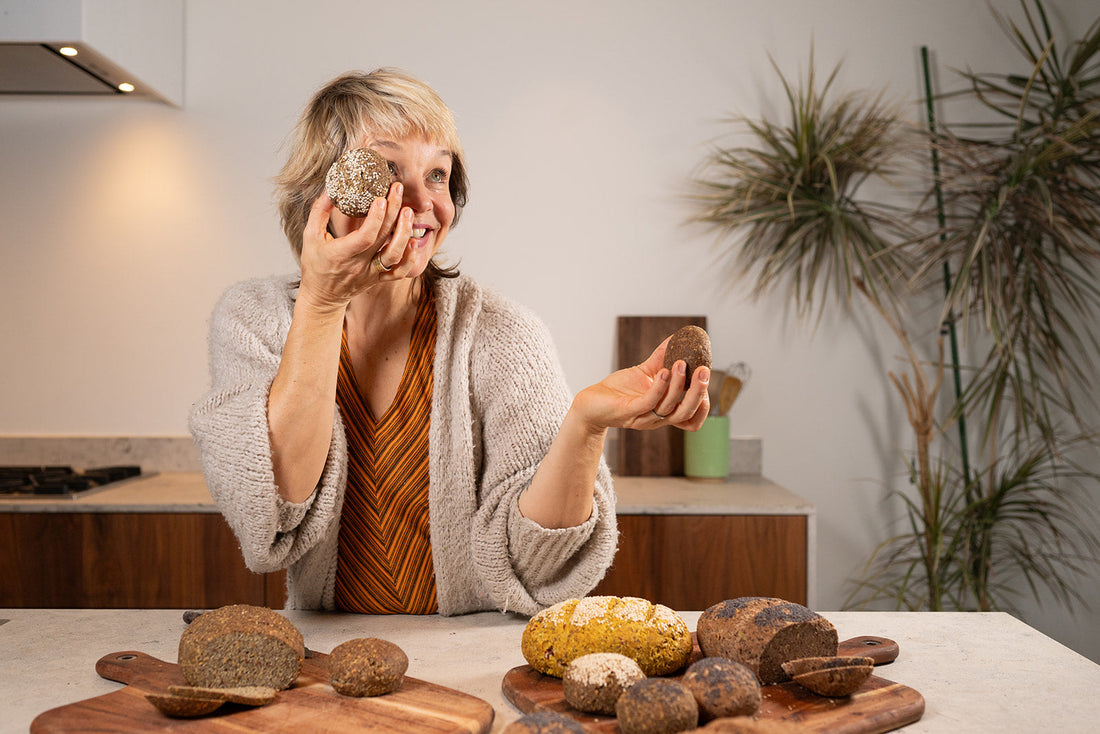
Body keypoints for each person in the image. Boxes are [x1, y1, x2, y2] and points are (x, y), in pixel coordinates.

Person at [189, 68, 710, 617]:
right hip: (327, 667)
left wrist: (585, 424)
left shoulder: (505, 335)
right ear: (322, 188)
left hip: (470, 662)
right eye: (386, 170)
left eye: (437, 174)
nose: (421, 203)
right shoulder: (253, 321)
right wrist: (321, 302)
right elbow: (270, 514)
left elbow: (543, 570)